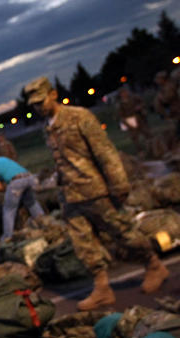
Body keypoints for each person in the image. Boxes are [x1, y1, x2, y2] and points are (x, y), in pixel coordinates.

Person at [24, 76, 169, 311]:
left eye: (41, 101)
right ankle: (102, 287)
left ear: (53, 95)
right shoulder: (48, 127)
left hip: (95, 190)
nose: (38, 107)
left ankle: (153, 265)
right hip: (70, 195)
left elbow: (104, 151)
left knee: (123, 232)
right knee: (83, 244)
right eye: (33, 104)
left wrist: (119, 184)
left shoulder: (79, 117)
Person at [0, 157, 44, 243]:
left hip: (16, 182)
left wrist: (5, 190)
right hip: (29, 177)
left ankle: (7, 237)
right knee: (31, 203)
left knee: (9, 210)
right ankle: (44, 223)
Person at [116, 86, 150, 156]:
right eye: (122, 93)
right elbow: (121, 115)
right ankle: (140, 151)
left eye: (125, 92)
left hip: (139, 118)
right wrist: (126, 122)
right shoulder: (120, 104)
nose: (124, 94)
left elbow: (142, 103)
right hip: (130, 120)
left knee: (146, 133)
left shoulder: (134, 98)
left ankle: (151, 147)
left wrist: (140, 107)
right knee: (135, 137)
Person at [153, 70, 180, 141]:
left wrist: (160, 97)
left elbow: (168, 98)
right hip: (173, 110)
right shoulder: (163, 87)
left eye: (158, 79)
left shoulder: (169, 86)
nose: (157, 81)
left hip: (176, 109)